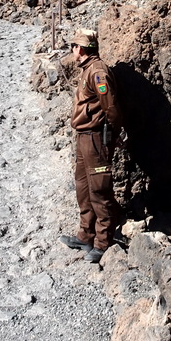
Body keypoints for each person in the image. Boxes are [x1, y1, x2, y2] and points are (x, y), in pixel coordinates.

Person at [60, 29, 123, 265]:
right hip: (84, 136)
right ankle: (86, 235)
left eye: (74, 46)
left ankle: (102, 242)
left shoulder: (98, 73)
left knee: (99, 190)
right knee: (83, 187)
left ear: (82, 48)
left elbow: (112, 107)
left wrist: (113, 135)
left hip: (96, 138)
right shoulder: (88, 69)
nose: (72, 50)